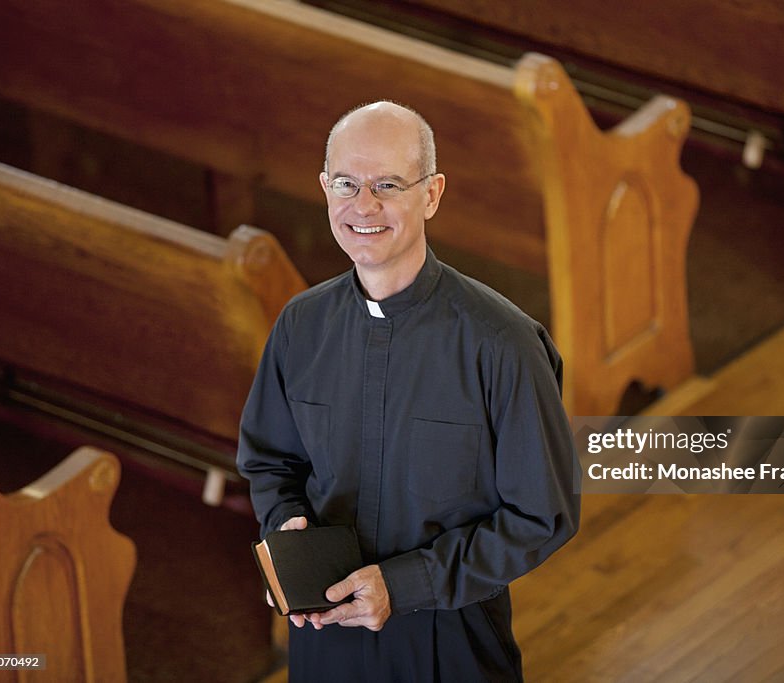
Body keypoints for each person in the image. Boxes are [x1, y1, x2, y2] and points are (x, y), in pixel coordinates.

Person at [237, 100, 580, 681]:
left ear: (432, 194)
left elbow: (541, 515)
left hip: (450, 643)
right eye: (346, 183)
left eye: (388, 184)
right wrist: (286, 534)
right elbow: (271, 463)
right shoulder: (301, 325)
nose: (363, 205)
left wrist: (402, 585)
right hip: (325, 641)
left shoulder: (504, 343)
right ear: (324, 188)